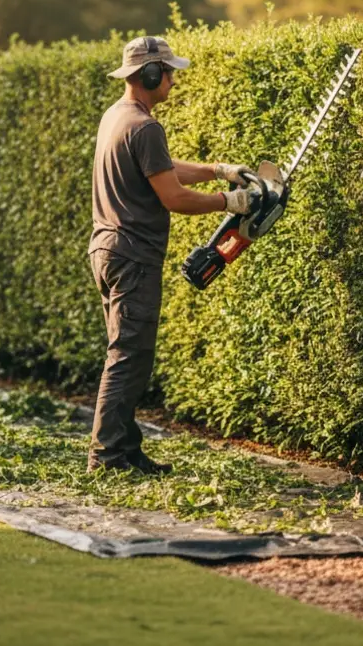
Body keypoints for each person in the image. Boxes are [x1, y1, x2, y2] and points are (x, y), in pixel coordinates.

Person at [87, 36, 257, 474]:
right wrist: (229, 201)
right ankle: (106, 458)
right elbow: (174, 197)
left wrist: (219, 169)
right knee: (128, 355)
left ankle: (125, 449)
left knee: (130, 353)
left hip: (107, 249)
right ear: (149, 74)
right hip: (132, 255)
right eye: (168, 71)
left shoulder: (118, 118)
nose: (173, 79)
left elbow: (160, 166)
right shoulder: (144, 126)